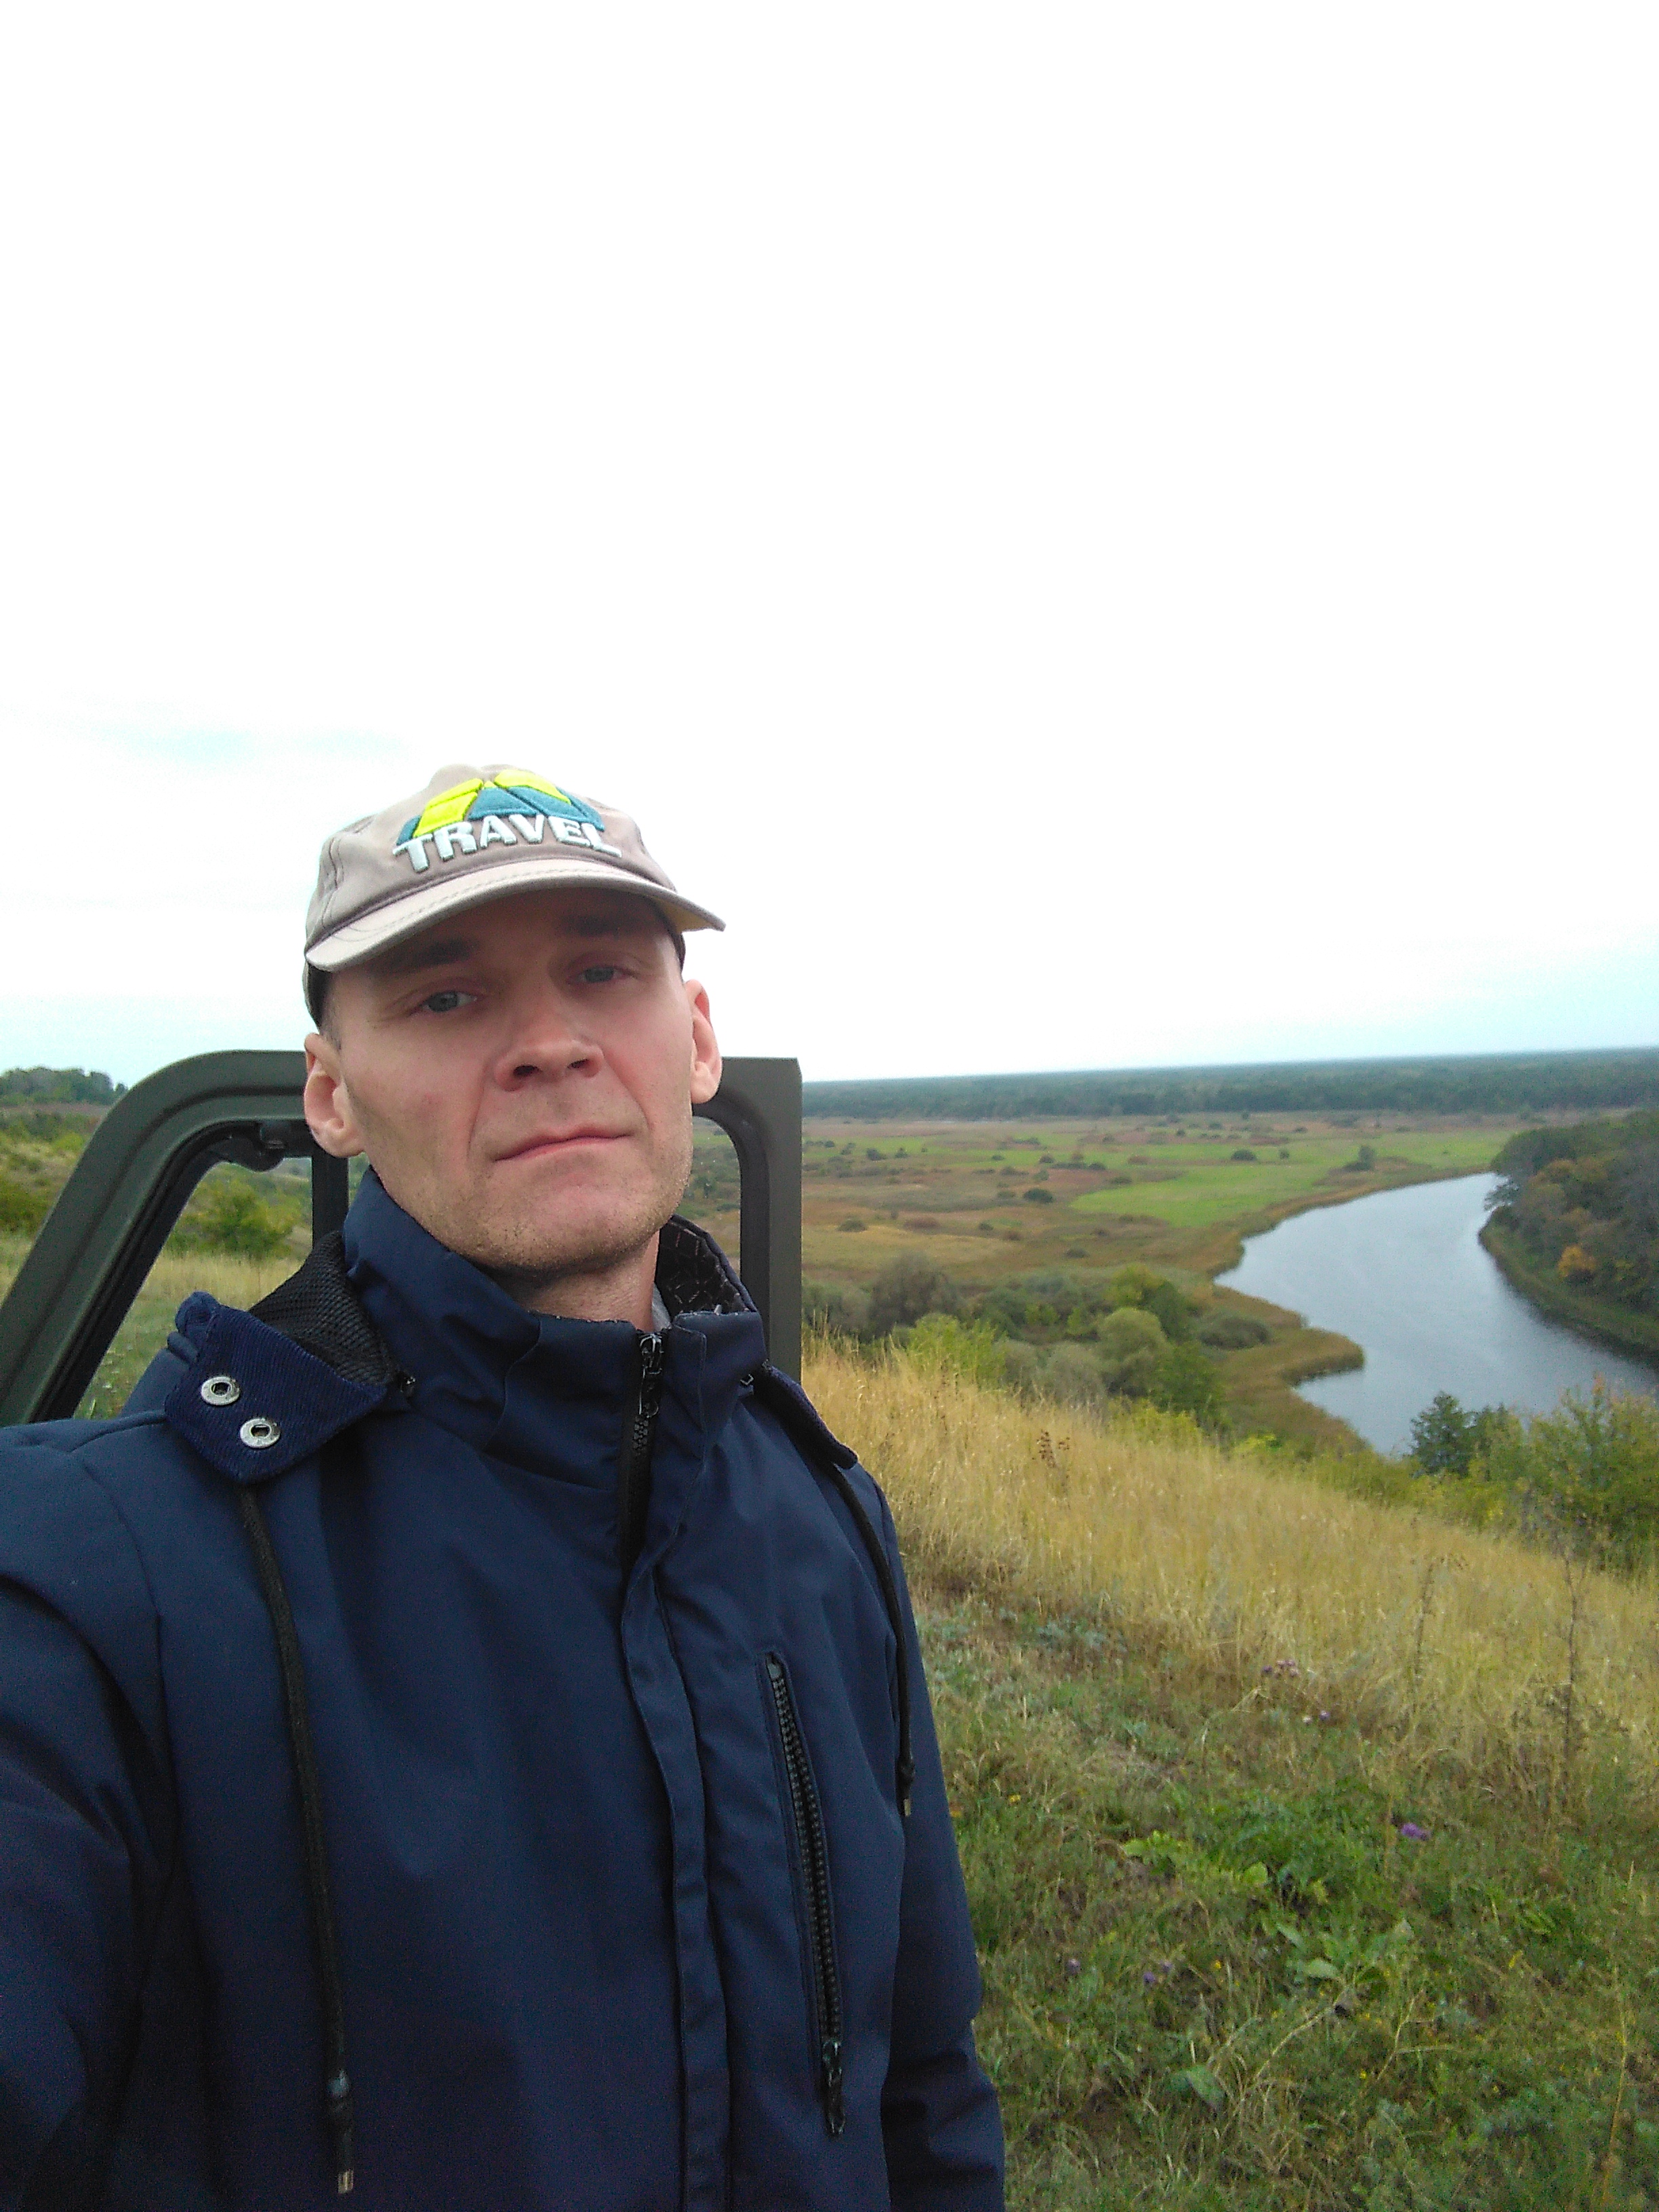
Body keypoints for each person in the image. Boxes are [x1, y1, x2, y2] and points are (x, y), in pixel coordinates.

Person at [0, 766, 1005, 2211]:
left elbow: (927, 2086)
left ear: (696, 1038)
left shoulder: (820, 1512)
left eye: (603, 972)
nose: (547, 1044)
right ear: (332, 1095)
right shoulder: (106, 1576)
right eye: (446, 998)